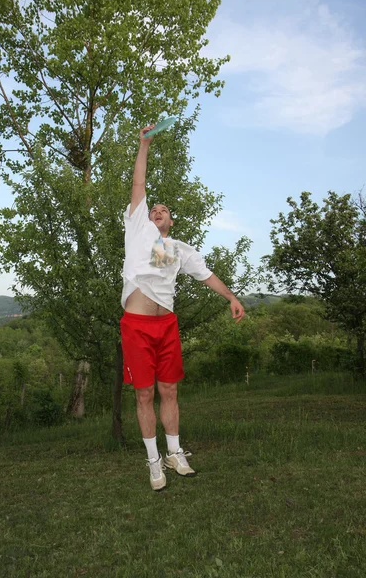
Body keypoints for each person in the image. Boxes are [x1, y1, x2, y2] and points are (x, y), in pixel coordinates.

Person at [120, 124, 245, 491]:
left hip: (167, 326)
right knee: (144, 393)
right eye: (153, 208)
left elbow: (206, 276)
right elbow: (139, 184)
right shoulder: (137, 229)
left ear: (171, 221)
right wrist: (144, 145)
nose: (157, 209)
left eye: (164, 210)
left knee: (169, 391)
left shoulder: (177, 249)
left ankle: (175, 453)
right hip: (137, 324)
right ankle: (153, 461)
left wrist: (232, 297)